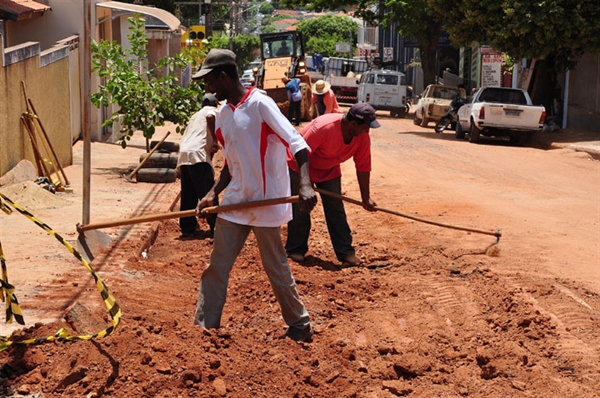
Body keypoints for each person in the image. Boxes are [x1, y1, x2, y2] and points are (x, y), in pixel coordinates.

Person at [191, 49, 317, 342]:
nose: (206, 86)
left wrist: (305, 183)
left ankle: (299, 325)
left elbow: (296, 142)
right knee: (217, 266)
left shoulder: (261, 104)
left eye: (208, 80)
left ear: (223, 76)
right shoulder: (222, 115)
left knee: (276, 268)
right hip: (236, 203)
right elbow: (230, 167)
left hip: (266, 203)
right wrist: (212, 194)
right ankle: (204, 329)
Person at [285, 103, 380, 267]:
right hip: (300, 165)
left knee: (336, 207)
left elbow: (363, 166)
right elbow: (300, 153)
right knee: (302, 207)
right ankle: (296, 249)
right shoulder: (324, 127)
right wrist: (305, 185)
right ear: (352, 124)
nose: (368, 131)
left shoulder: (362, 137)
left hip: (328, 168)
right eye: (366, 127)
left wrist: (366, 198)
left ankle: (345, 253)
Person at [176, 93, 219, 238]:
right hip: (198, 155)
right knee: (209, 193)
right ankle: (216, 229)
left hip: (184, 154)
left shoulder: (194, 116)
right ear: (215, 104)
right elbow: (210, 117)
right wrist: (215, 140)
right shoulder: (212, 112)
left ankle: (188, 227)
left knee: (189, 194)